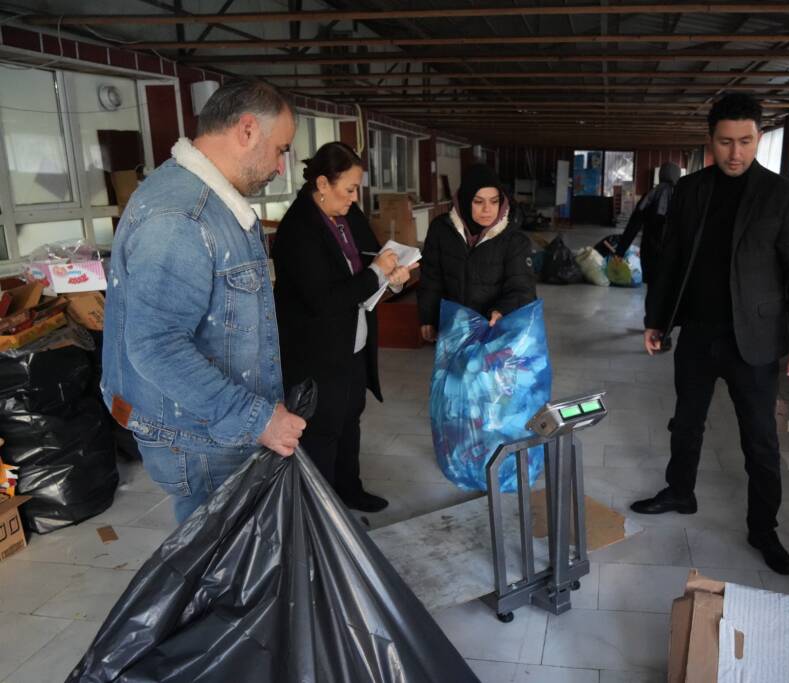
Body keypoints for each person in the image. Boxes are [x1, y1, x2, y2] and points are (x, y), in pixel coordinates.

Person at [102, 79, 306, 524]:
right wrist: (257, 418)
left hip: (211, 425)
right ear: (247, 130)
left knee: (235, 561)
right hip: (199, 437)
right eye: (281, 149)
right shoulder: (182, 216)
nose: (279, 167)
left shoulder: (213, 205)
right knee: (222, 571)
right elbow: (156, 346)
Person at [631, 93, 789, 575]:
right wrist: (657, 319)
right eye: (725, 142)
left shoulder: (784, 196)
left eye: (746, 141)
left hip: (753, 340)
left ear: (759, 137)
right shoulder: (691, 191)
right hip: (697, 332)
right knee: (685, 421)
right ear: (710, 141)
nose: (736, 153)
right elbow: (670, 260)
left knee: (760, 439)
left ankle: (763, 528)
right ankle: (680, 492)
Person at [272, 142, 414, 512]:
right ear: (322, 183)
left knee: (350, 419)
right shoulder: (298, 230)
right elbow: (324, 299)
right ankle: (324, 514)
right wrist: (375, 274)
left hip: (352, 343)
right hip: (317, 351)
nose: (354, 198)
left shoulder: (346, 215)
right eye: (349, 188)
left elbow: (373, 259)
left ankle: (349, 491)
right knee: (322, 431)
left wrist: (393, 277)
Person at [418, 163, 535, 341]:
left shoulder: (514, 240)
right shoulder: (441, 230)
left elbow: (522, 289)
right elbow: (431, 277)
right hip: (454, 329)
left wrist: (502, 311)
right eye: (478, 202)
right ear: (465, 200)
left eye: (494, 201)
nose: (487, 209)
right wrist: (428, 316)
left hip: (494, 330)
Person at [612, 161, 682, 286]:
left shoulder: (649, 196)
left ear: (661, 175)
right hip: (675, 255)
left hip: (650, 253)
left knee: (653, 291)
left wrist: (620, 251)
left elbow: (633, 226)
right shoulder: (683, 198)